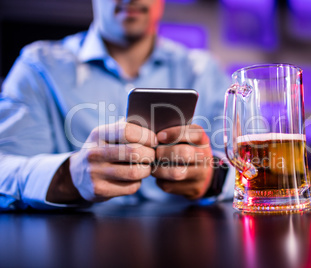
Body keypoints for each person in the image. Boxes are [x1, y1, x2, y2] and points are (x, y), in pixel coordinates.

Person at [0, 0, 234, 210]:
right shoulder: (38, 68)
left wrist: (214, 178)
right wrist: (68, 176)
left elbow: (255, 170)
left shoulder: (205, 72)